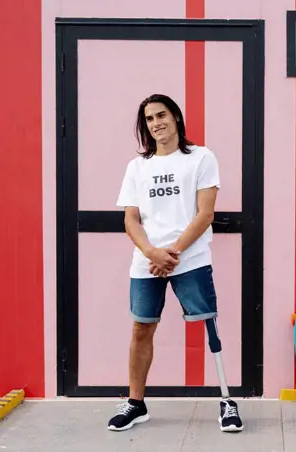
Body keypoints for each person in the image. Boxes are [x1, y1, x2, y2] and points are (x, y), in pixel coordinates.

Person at [107, 93, 244, 433]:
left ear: (176, 118)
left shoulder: (200, 158)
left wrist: (173, 253)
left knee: (208, 322)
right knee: (141, 328)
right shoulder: (137, 167)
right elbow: (131, 219)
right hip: (147, 262)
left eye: (161, 115)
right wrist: (153, 253)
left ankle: (227, 401)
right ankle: (136, 404)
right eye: (150, 119)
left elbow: (205, 214)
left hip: (190, 257)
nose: (156, 123)